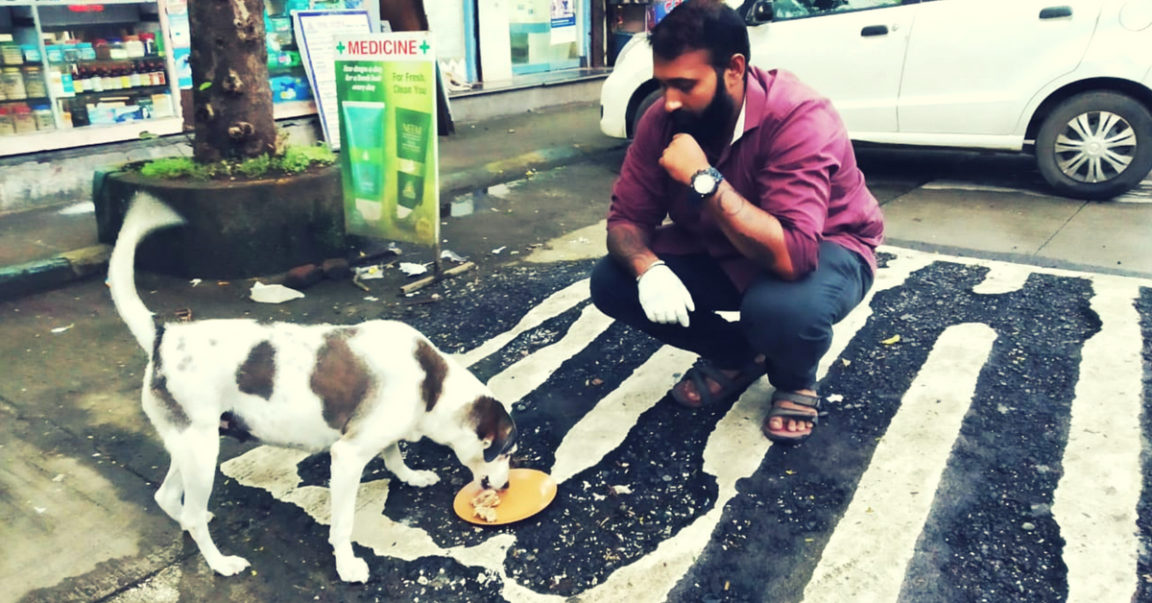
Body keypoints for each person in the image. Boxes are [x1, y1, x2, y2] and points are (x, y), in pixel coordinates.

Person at [589, 0, 884, 443]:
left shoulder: (799, 116)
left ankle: (795, 377)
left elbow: (794, 257)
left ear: (734, 68)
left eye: (685, 85)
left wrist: (703, 179)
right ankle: (737, 354)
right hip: (718, 243)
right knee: (613, 279)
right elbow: (627, 220)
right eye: (663, 84)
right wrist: (649, 269)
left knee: (779, 310)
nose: (669, 101)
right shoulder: (662, 119)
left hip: (827, 246)